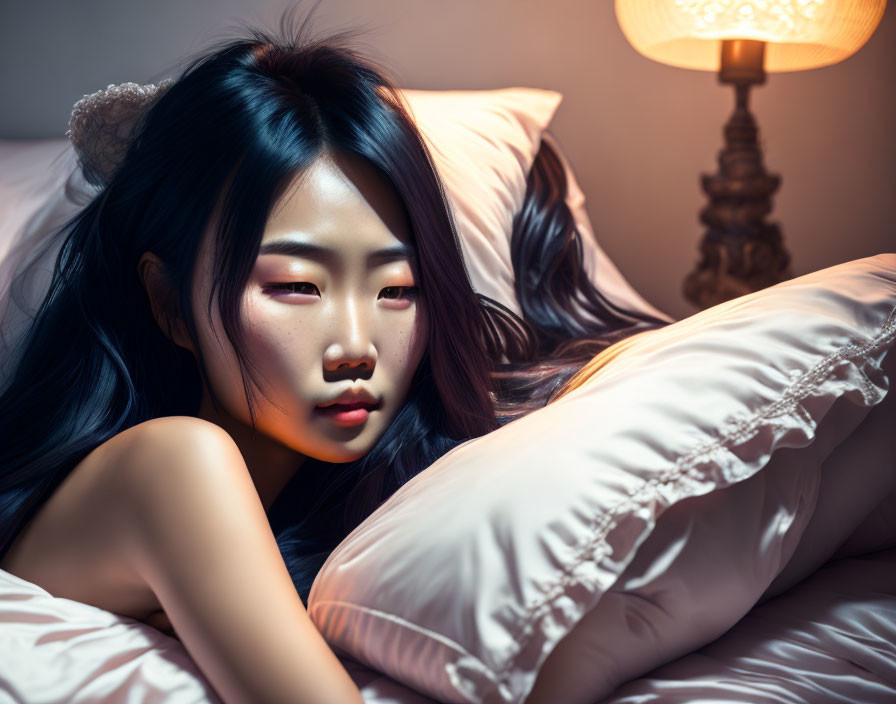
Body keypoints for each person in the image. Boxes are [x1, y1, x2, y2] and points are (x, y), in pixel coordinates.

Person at [0, 11, 668, 704]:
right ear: (169, 305)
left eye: (398, 289)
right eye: (296, 286)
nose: (355, 346)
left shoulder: (358, 507)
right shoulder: (170, 464)